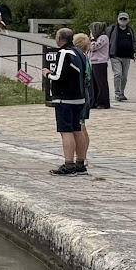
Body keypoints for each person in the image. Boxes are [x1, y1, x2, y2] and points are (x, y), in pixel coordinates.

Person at [44, 28, 87, 174]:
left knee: (66, 131)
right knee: (77, 129)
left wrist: (48, 74)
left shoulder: (64, 53)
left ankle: (69, 165)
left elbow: (59, 76)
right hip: (79, 97)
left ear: (59, 38)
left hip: (65, 99)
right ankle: (80, 164)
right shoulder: (80, 53)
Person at [73, 33, 96, 169]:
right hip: (85, 92)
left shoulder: (80, 58)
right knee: (82, 125)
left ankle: (82, 157)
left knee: (80, 126)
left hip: (81, 93)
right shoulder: (85, 57)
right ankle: (82, 155)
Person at [108, 11, 136, 101]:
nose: (123, 20)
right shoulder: (112, 29)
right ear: (118, 19)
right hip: (115, 56)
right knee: (118, 74)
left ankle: (121, 92)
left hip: (127, 56)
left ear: (128, 20)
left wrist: (135, 51)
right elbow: (106, 40)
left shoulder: (130, 30)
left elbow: (134, 42)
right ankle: (117, 93)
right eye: (121, 19)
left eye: (125, 19)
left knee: (124, 77)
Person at [86, 21, 113, 110]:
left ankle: (103, 102)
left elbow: (94, 47)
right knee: (93, 84)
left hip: (100, 62)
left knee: (101, 83)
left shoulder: (103, 38)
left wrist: (93, 40)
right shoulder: (94, 38)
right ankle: (93, 101)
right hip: (93, 62)